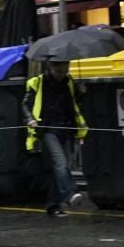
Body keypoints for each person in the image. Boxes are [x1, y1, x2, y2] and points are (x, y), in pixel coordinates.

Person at [23, 61, 88, 218]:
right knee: (61, 163)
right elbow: (25, 105)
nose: (62, 75)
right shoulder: (37, 82)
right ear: (50, 68)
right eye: (59, 72)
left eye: (65, 71)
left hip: (67, 129)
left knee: (58, 170)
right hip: (47, 129)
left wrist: (81, 92)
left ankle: (53, 205)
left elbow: (74, 105)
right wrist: (30, 119)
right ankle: (71, 193)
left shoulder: (69, 82)